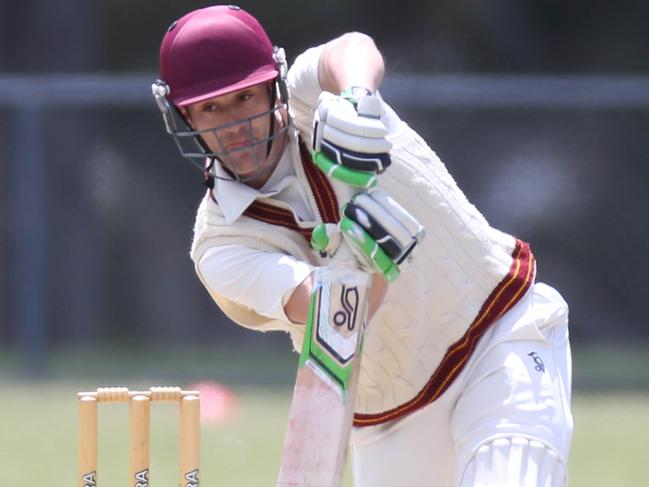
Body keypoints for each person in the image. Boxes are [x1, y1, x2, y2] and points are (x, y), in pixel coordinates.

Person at [152, 5, 573, 486]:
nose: (234, 125)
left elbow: (353, 48)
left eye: (245, 97)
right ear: (183, 114)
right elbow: (331, 316)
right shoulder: (223, 245)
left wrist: (357, 97)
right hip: (389, 411)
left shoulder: (314, 96)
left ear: (274, 85)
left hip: (497, 331)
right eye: (211, 108)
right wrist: (368, 266)